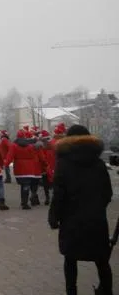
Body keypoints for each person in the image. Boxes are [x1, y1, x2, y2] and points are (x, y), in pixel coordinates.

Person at [49, 125, 113, 295]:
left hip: (71, 220)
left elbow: (59, 195)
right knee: (102, 259)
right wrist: (96, 208)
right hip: (96, 220)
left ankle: (72, 291)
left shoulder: (63, 164)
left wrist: (54, 216)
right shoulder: (99, 164)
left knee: (70, 259)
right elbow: (108, 192)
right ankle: (106, 290)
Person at [4, 129, 42, 210]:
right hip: (29, 168)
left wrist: (6, 164)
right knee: (26, 185)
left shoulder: (14, 145)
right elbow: (34, 155)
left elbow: (10, 157)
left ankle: (24, 202)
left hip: (19, 168)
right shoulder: (30, 146)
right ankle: (24, 203)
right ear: (24, 136)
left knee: (23, 185)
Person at [37, 130, 54, 205]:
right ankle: (54, 197)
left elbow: (41, 158)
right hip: (52, 166)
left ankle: (47, 198)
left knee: (45, 183)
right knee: (53, 182)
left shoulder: (40, 146)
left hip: (44, 167)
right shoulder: (52, 145)